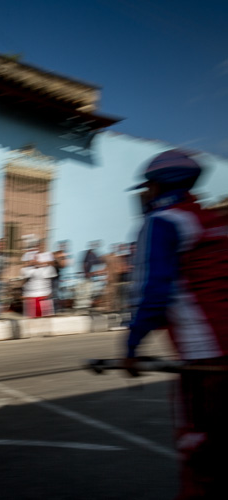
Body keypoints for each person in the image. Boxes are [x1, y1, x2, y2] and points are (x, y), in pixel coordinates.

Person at [123, 149, 228, 499]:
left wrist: (132, 347)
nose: (144, 194)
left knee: (201, 465)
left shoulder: (163, 223)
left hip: (204, 362)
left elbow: (153, 293)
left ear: (158, 186)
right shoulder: (215, 222)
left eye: (147, 186)